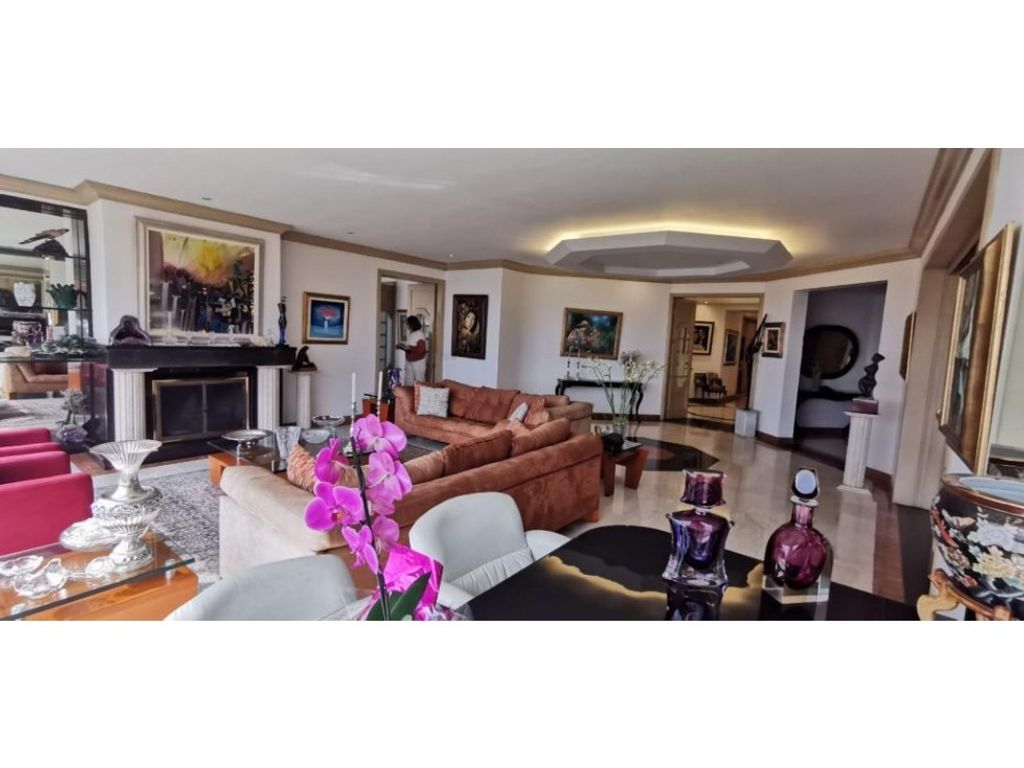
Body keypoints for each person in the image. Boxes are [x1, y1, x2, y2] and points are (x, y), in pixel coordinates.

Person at [397, 315, 428, 383]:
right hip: (409, 361)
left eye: (407, 324)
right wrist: (401, 346)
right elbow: (410, 348)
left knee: (419, 382)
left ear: (412, 324)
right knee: (408, 381)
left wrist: (409, 348)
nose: (406, 325)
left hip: (418, 363)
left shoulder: (419, 334)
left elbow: (420, 350)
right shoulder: (411, 334)